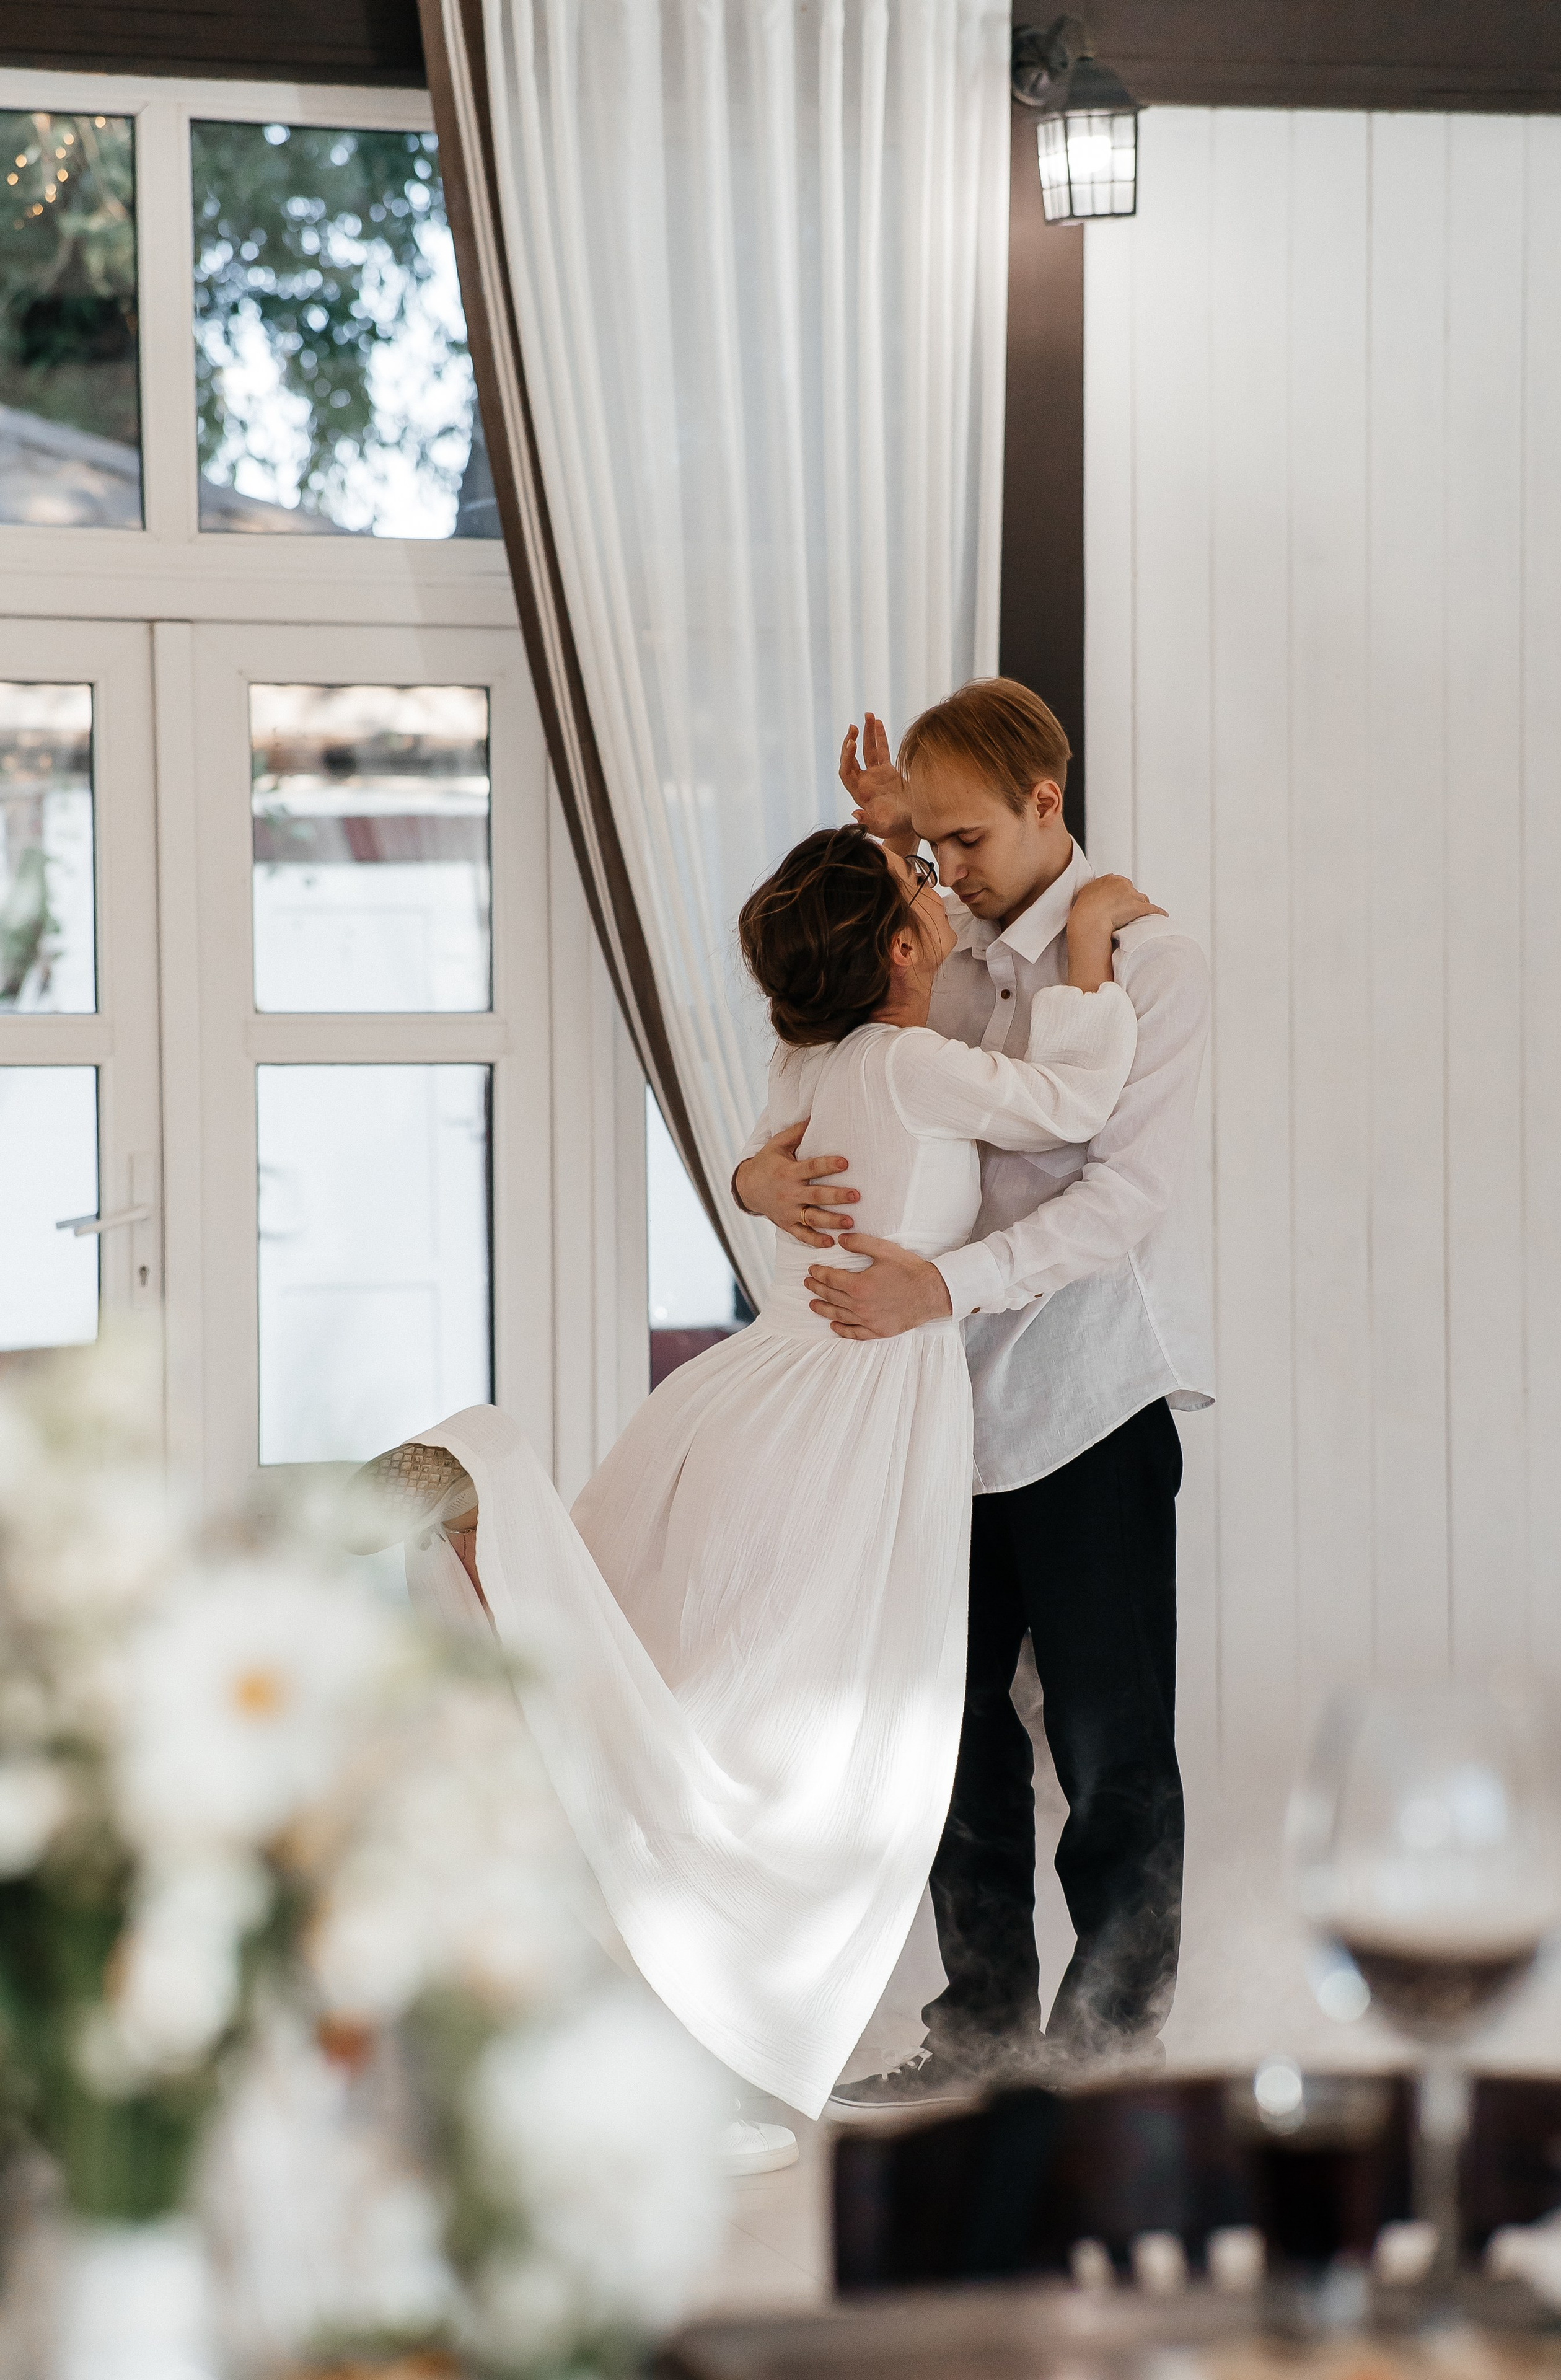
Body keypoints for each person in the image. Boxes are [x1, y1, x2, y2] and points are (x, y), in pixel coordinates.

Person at [346, 826, 1154, 2164]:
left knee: (698, 1694)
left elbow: (769, 1152)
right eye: (916, 886)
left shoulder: (817, 1054)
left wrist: (744, 1176)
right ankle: (706, 2029)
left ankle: (667, 2013)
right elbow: (1069, 1103)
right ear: (901, 951)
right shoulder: (906, 1063)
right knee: (795, 1749)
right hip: (842, 1410)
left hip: (766, 1386)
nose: (938, 887)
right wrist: (1085, 951)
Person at [731, 681, 1213, 2107]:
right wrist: (756, 1177)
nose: (939, 869)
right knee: (947, 1738)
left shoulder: (1147, 961)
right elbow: (807, 1084)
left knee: (1110, 1742)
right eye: (920, 848)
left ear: (1044, 804)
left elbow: (1121, 1200)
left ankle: (1110, 2055)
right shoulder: (920, 943)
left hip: (1079, 1393)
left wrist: (944, 1287)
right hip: (916, 1417)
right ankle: (979, 2036)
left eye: (958, 839)